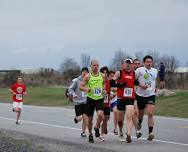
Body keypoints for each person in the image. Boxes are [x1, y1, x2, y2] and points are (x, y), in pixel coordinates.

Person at [111, 58, 137, 143]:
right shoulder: (119, 73)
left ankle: (129, 134)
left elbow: (135, 84)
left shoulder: (134, 73)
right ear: (123, 64)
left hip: (130, 98)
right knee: (120, 121)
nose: (128, 64)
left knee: (129, 117)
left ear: (132, 65)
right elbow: (112, 83)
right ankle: (121, 132)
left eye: (130, 63)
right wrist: (119, 84)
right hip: (121, 99)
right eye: (126, 63)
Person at [80, 59, 105, 143]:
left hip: (99, 99)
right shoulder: (88, 76)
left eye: (97, 65)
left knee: (100, 115)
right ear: (90, 66)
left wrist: (104, 90)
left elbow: (104, 84)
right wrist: (87, 89)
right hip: (90, 99)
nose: (96, 67)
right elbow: (81, 87)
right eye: (94, 65)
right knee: (90, 120)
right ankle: (90, 134)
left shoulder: (102, 75)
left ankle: (97, 128)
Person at [135, 55, 158, 141]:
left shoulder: (155, 71)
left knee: (150, 113)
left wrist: (154, 87)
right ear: (144, 62)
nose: (149, 63)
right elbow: (134, 80)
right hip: (140, 95)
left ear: (152, 62)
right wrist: (140, 85)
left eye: (150, 62)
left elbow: (153, 80)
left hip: (150, 94)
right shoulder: (139, 70)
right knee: (140, 114)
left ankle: (150, 133)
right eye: (147, 62)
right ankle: (139, 123)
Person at [68, 67, 89, 138]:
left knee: (85, 118)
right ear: (81, 72)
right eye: (83, 71)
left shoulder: (88, 81)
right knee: (80, 118)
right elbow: (70, 88)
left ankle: (83, 132)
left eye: (86, 72)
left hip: (86, 102)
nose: (85, 73)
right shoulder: (76, 80)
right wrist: (73, 94)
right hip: (78, 102)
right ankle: (76, 118)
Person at [99, 66, 111, 141]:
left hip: (107, 103)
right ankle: (101, 134)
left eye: (106, 73)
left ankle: (103, 128)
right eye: (103, 72)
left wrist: (111, 94)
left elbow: (111, 90)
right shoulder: (98, 81)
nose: (105, 74)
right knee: (102, 118)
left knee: (106, 119)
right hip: (100, 103)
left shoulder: (109, 82)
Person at [133, 59, 142, 138]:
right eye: (135, 64)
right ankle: (137, 131)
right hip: (132, 96)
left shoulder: (143, 73)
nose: (137, 65)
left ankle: (139, 123)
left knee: (138, 113)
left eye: (138, 64)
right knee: (135, 113)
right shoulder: (131, 73)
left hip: (142, 96)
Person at [109, 70, 118, 135]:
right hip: (107, 101)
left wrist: (114, 94)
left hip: (114, 100)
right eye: (111, 76)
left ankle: (115, 128)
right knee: (105, 116)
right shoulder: (106, 82)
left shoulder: (116, 82)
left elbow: (119, 90)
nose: (112, 77)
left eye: (113, 76)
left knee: (115, 111)